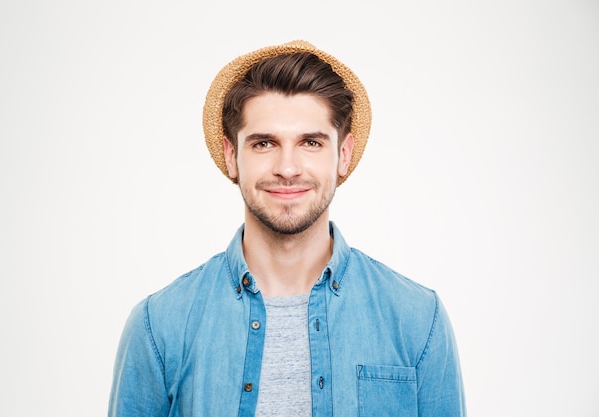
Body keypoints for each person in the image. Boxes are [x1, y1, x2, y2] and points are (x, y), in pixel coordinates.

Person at [108, 40, 466, 417]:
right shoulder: (159, 326)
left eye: (311, 142)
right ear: (232, 156)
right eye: (264, 143)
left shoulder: (418, 319)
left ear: (343, 155)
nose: (288, 167)